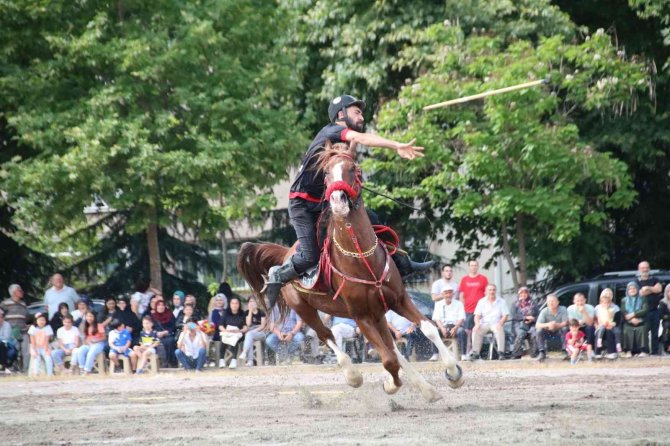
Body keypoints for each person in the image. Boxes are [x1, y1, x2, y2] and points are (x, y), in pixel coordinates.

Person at [264, 94, 430, 306]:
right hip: (303, 204)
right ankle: (277, 275)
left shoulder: (341, 141)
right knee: (309, 256)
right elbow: (361, 138)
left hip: (325, 201)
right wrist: (396, 145)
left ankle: (403, 263)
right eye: (357, 112)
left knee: (372, 221)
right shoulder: (330, 131)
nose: (361, 116)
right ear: (341, 114)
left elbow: (348, 160)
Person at [470, 284, 509, 360]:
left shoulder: (501, 301)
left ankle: (501, 353)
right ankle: (475, 353)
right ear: (486, 291)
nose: (492, 292)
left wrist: (500, 323)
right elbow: (477, 315)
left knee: (499, 329)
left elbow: (505, 315)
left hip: (496, 323)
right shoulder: (481, 301)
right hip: (484, 323)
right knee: (476, 330)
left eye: (493, 290)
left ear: (496, 291)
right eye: (490, 290)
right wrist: (477, 324)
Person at [431, 283, 467, 361]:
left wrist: (455, 327)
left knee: (462, 332)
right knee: (434, 332)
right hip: (443, 326)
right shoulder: (438, 304)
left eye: (450, 293)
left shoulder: (459, 303)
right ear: (443, 294)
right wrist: (442, 328)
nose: (448, 295)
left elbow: (461, 318)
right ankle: (435, 354)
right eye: (446, 293)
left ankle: (464, 355)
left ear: (453, 294)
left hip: (455, 326)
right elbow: (437, 319)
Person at [635, 261, 663, 355]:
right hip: (643, 311)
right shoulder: (636, 281)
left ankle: (655, 353)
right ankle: (645, 352)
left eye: (646, 267)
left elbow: (659, 289)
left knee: (655, 333)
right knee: (644, 332)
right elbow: (640, 293)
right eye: (642, 268)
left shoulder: (655, 279)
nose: (645, 269)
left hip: (655, 310)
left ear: (649, 268)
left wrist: (647, 288)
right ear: (639, 269)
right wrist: (653, 289)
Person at [459, 260, 489, 347]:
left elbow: (486, 294)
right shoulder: (464, 279)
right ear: (469, 267)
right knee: (467, 332)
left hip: (480, 312)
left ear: (478, 266)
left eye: (475, 265)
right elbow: (461, 295)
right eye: (472, 265)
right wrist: (463, 307)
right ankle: (468, 350)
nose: (473, 267)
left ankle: (477, 351)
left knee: (478, 331)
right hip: (468, 310)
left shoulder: (483, 279)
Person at [1, 284, 30, 371]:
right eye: (20, 290)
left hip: (23, 331)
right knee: (14, 350)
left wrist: (29, 324)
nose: (22, 292)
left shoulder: (23, 304)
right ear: (14, 292)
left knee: (26, 351)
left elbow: (27, 317)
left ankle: (26, 370)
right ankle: (12, 369)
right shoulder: (5, 304)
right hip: (12, 331)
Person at [535, 294, 569, 362]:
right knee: (539, 331)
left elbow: (565, 322)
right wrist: (548, 324)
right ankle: (542, 352)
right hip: (548, 330)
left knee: (565, 328)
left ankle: (565, 350)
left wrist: (556, 325)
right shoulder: (544, 311)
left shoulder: (563, 309)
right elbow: (537, 325)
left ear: (558, 302)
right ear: (547, 303)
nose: (551, 303)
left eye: (553, 301)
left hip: (559, 330)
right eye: (549, 301)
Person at [510, 287, 539, 359]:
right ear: (519, 294)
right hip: (519, 324)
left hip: (531, 323)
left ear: (528, 294)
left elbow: (538, 314)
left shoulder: (533, 303)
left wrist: (533, 319)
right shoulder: (515, 304)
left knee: (534, 332)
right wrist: (525, 318)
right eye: (522, 293)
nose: (523, 294)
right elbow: (514, 315)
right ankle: (516, 353)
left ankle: (534, 353)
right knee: (521, 333)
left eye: (525, 293)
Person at [218, 296, 247, 369]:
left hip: (238, 334)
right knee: (223, 338)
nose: (234, 305)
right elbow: (220, 326)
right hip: (227, 332)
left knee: (235, 338)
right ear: (230, 304)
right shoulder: (226, 313)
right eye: (232, 303)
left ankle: (234, 360)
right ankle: (221, 360)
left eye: (236, 303)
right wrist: (225, 330)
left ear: (239, 304)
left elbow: (245, 327)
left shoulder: (242, 313)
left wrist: (239, 331)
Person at [621, 281, 649, 357]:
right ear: (627, 290)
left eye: (634, 288)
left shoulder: (643, 298)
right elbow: (624, 311)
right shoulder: (624, 300)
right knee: (626, 329)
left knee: (642, 328)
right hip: (629, 322)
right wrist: (631, 319)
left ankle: (643, 351)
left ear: (637, 289)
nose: (632, 290)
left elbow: (645, 310)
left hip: (641, 321)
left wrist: (634, 314)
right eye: (630, 289)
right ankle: (628, 351)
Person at [594, 288, 622, 359]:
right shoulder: (597, 308)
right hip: (600, 326)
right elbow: (595, 319)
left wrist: (611, 325)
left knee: (609, 332)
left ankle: (611, 352)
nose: (608, 295)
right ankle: (597, 353)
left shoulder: (615, 308)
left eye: (610, 294)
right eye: (606, 294)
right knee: (599, 331)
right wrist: (597, 326)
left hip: (611, 326)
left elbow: (617, 321)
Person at [239, 296, 267, 367]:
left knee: (249, 334)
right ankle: (250, 361)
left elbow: (263, 325)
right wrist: (250, 312)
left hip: (261, 332)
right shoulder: (246, 313)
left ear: (257, 303)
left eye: (253, 301)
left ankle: (245, 352)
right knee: (249, 337)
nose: (251, 303)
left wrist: (254, 331)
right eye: (250, 302)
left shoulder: (261, 312)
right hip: (250, 333)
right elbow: (248, 324)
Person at [76, 311, 107, 375]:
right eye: (87, 316)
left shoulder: (99, 326)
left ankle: (87, 370)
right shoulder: (86, 326)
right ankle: (82, 368)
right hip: (89, 344)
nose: (89, 318)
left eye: (91, 316)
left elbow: (104, 337)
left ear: (94, 317)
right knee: (80, 350)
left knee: (91, 352)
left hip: (99, 344)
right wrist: (86, 342)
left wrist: (96, 340)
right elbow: (85, 337)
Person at [151, 299, 177, 367]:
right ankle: (162, 363)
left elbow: (174, 326)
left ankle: (170, 362)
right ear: (156, 307)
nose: (161, 307)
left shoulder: (170, 314)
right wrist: (156, 333)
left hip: (168, 335)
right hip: (156, 336)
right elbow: (150, 327)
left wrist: (166, 331)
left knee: (170, 341)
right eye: (159, 305)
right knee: (151, 342)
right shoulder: (153, 316)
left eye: (162, 305)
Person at [659, 284, 670, 354]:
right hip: (666, 321)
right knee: (667, 326)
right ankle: (667, 346)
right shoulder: (663, 302)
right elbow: (662, 315)